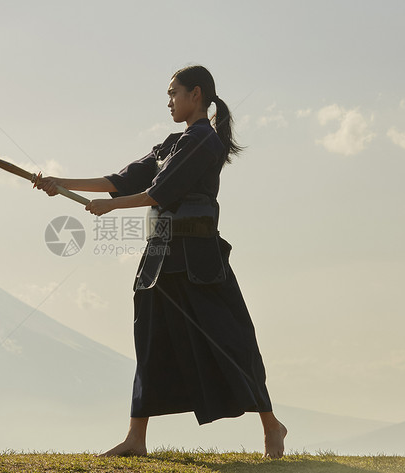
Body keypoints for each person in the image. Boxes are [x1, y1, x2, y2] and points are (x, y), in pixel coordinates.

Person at [34, 65, 287, 459]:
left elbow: (159, 192)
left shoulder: (203, 141)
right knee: (149, 342)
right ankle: (136, 438)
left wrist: (111, 208)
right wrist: (61, 184)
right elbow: (122, 178)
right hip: (159, 259)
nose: (169, 101)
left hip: (199, 260)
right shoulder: (172, 143)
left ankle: (272, 425)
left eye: (174, 93)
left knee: (231, 340)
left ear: (196, 95)